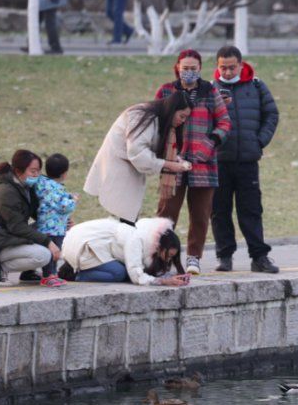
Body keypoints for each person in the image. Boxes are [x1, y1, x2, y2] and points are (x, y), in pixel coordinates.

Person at [155, 49, 231, 276]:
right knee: (166, 214)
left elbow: (224, 123)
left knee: (200, 214)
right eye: (185, 68)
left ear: (200, 69)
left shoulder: (211, 91)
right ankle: (161, 257)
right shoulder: (166, 90)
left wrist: (208, 145)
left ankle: (193, 258)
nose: (189, 72)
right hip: (172, 162)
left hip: (203, 163)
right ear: (178, 67)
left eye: (193, 69)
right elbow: (156, 120)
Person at [211, 45, 280, 274]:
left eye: (232, 67)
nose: (228, 72)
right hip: (219, 160)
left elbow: (272, 114)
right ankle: (224, 256)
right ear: (217, 66)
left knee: (251, 210)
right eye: (223, 68)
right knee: (219, 210)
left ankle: (259, 257)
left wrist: (259, 141)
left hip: (248, 160)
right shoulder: (210, 89)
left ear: (240, 64)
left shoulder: (256, 86)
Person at [84, 93, 194, 225]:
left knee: (127, 217)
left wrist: (174, 160)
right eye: (182, 116)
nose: (183, 121)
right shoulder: (142, 115)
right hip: (120, 167)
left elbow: (151, 147)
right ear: (172, 110)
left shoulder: (156, 118)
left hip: (129, 168)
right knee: (124, 218)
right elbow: (137, 151)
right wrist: (169, 164)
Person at [0, 150, 60, 286]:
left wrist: (58, 220)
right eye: (33, 171)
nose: (37, 175)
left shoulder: (26, 186)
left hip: (12, 236)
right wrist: (48, 242)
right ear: (18, 171)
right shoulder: (6, 192)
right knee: (42, 255)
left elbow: (39, 213)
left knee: (51, 225)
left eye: (38, 171)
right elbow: (17, 226)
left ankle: (28, 272)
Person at [61, 217, 189, 286]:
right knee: (119, 273)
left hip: (87, 243)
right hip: (83, 245)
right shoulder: (137, 239)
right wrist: (164, 281)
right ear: (161, 247)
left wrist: (168, 276)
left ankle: (73, 268)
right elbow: (136, 276)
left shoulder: (146, 238)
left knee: (121, 271)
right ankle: (75, 275)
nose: (168, 260)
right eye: (169, 255)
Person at [32, 153, 77, 287]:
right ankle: (48, 276)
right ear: (64, 173)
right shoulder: (56, 187)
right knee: (54, 253)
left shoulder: (43, 183)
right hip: (54, 228)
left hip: (45, 225)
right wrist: (73, 200)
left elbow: (53, 198)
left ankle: (52, 274)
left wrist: (67, 195)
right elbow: (64, 206)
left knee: (52, 253)